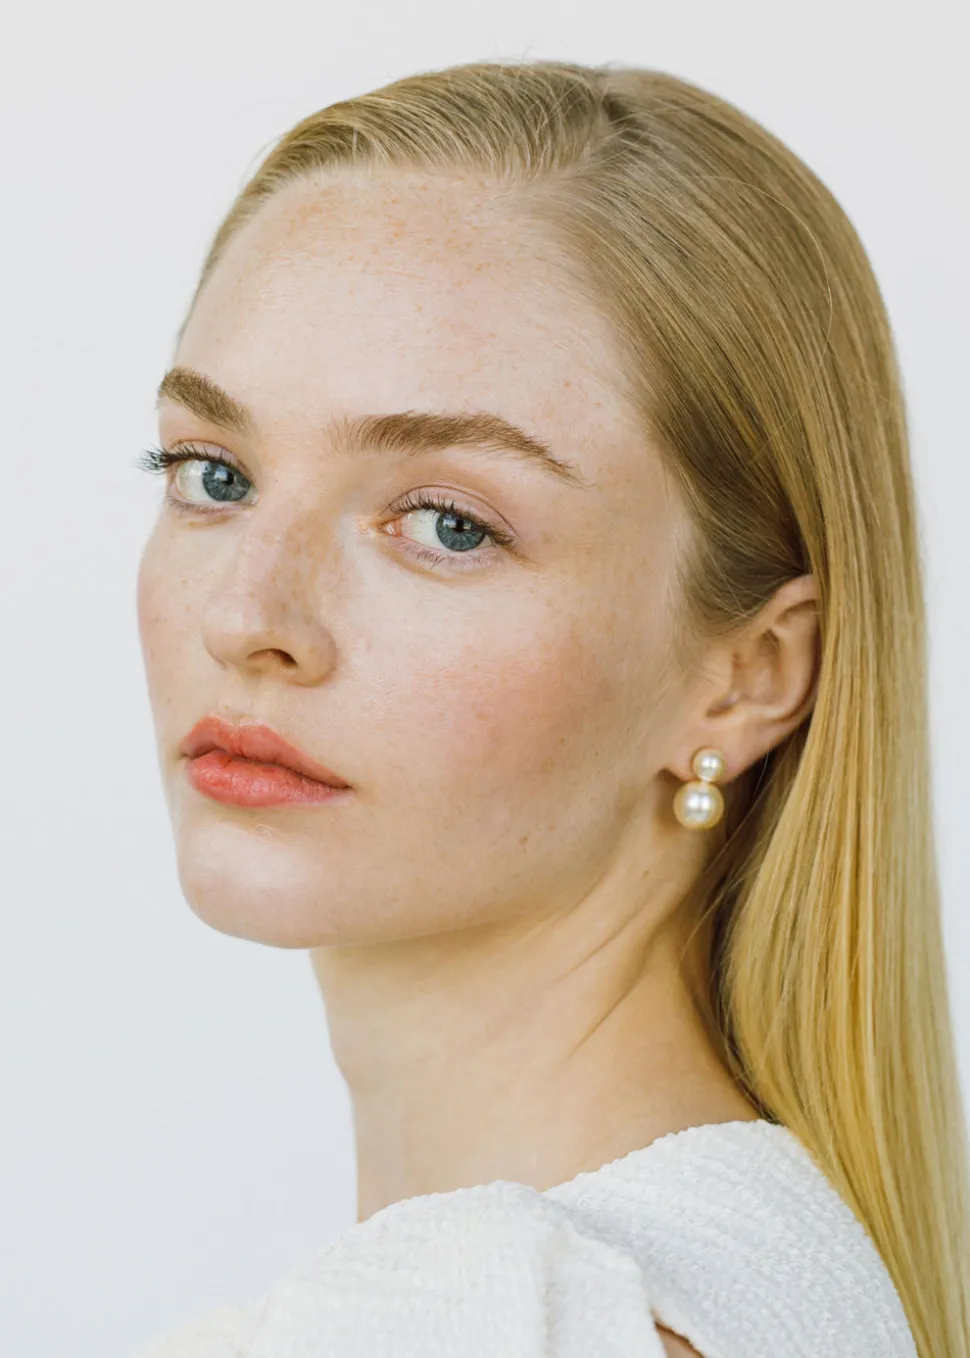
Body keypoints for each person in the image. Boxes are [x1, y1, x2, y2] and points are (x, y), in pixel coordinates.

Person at [132, 58, 968, 1357]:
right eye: (215, 473)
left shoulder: (507, 1317)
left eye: (447, 523)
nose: (247, 617)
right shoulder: (782, 1276)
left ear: (748, 673)